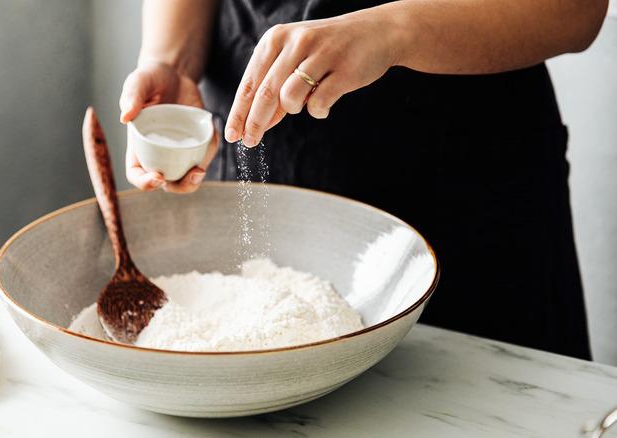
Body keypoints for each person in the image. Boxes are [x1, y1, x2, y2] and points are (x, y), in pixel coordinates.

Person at [118, 0, 608, 360]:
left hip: (466, 178)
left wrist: (394, 29)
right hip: (255, 129)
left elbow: (577, 11)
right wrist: (170, 61)